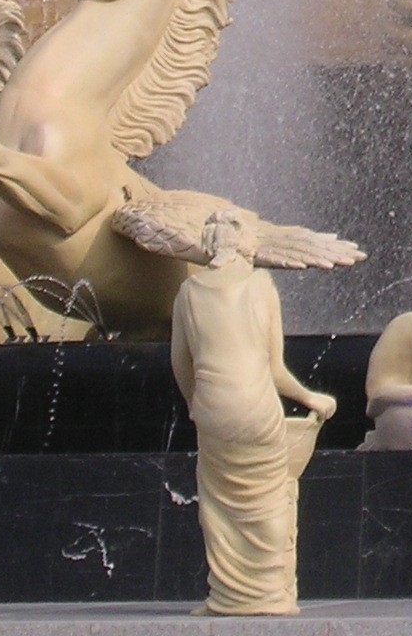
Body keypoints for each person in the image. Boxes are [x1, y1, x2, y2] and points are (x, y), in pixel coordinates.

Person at [170, 210, 336, 616]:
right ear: (247, 245)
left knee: (219, 501)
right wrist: (312, 398)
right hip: (256, 408)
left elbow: (181, 363)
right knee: (268, 495)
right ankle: (272, 593)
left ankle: (227, 596)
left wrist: (196, 405)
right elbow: (275, 369)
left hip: (213, 408)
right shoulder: (260, 285)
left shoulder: (188, 292)